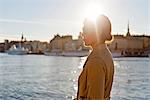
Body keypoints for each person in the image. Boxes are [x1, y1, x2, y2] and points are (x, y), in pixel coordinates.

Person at [77, 15, 114, 100]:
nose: (82, 34)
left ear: (98, 31)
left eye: (85, 30)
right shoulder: (105, 53)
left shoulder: (96, 61)